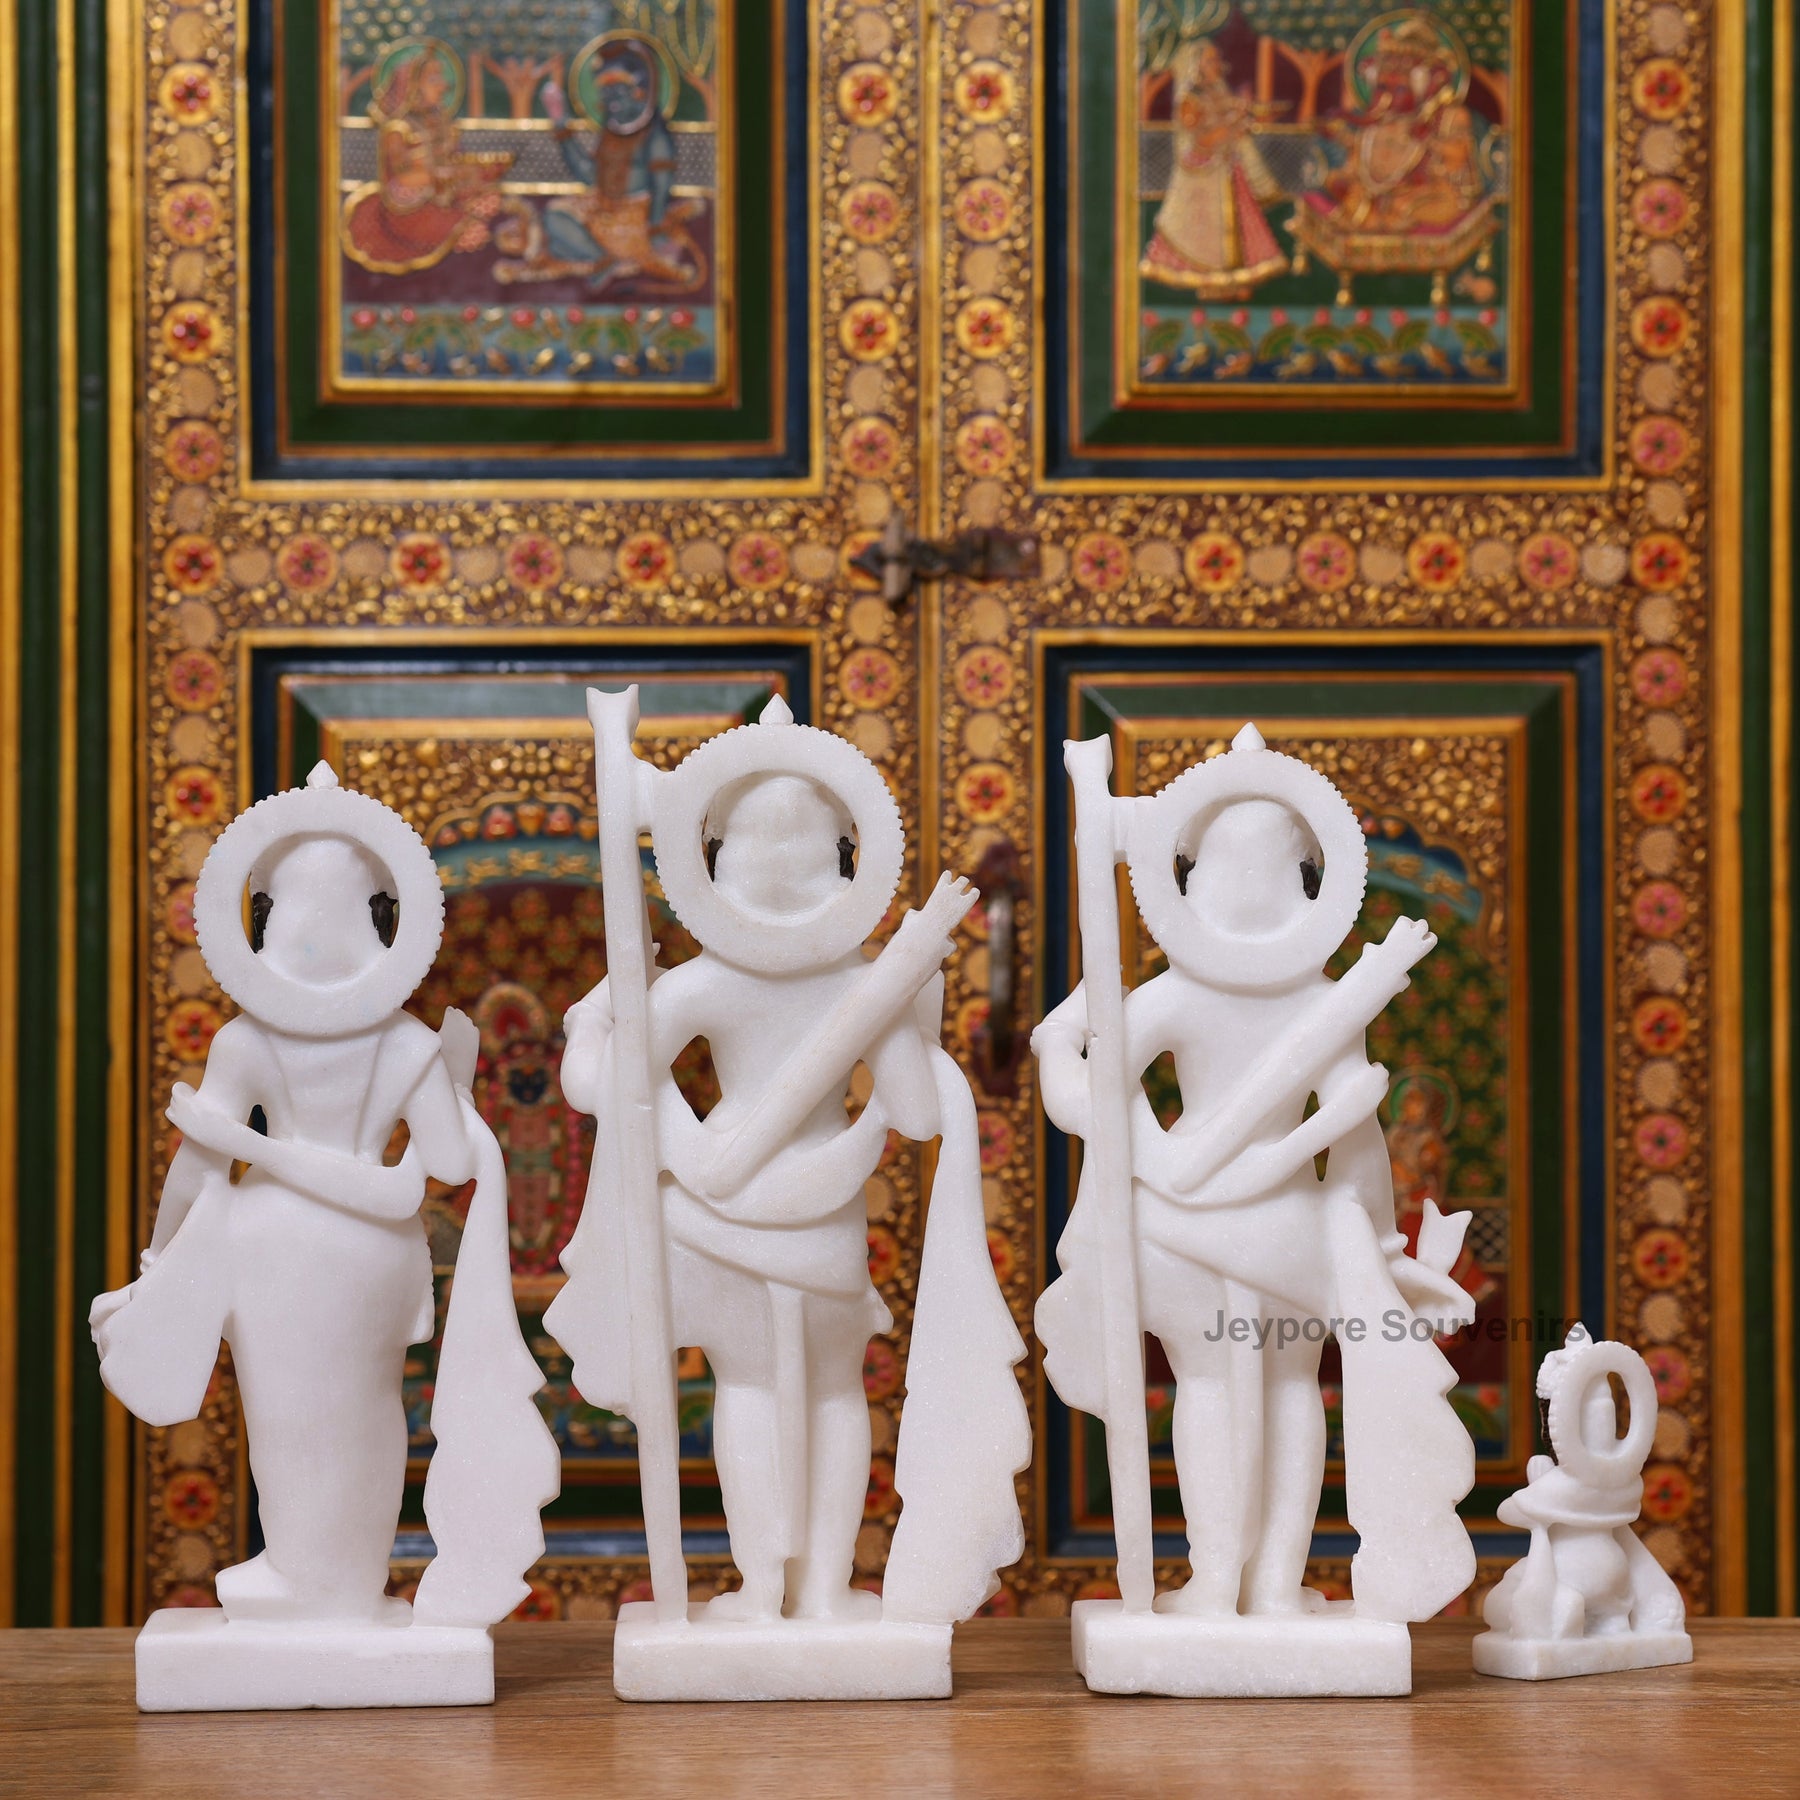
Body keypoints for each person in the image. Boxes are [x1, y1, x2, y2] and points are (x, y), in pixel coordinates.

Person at [1036, 738, 1476, 1622]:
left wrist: (1064, 1051)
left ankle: (1252, 1581)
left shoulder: (1295, 998)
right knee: (1267, 1390)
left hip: (1226, 1223)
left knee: (1248, 1389)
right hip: (1250, 1225)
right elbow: (1353, 1129)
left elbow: (1085, 1093)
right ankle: (1240, 1580)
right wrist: (1369, 1232)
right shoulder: (1225, 996)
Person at [342, 40, 511, 275]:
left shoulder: (439, 122)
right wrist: (441, 174)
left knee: (491, 197)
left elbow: (454, 162)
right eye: (434, 80)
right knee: (469, 229)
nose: (444, 86)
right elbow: (404, 178)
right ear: (412, 88)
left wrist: (474, 170)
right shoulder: (398, 129)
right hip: (409, 210)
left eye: (441, 79)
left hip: (442, 196)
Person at [1140, 40, 1286, 299]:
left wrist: (1241, 121)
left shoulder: (1218, 92)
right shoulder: (1190, 99)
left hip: (1226, 169)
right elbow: (1201, 141)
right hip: (1202, 175)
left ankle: (1234, 282)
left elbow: (1232, 124)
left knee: (1239, 228)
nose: (1217, 65)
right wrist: (1232, 124)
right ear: (1197, 66)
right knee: (1203, 236)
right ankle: (1211, 285)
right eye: (1210, 61)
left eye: (1217, 59)